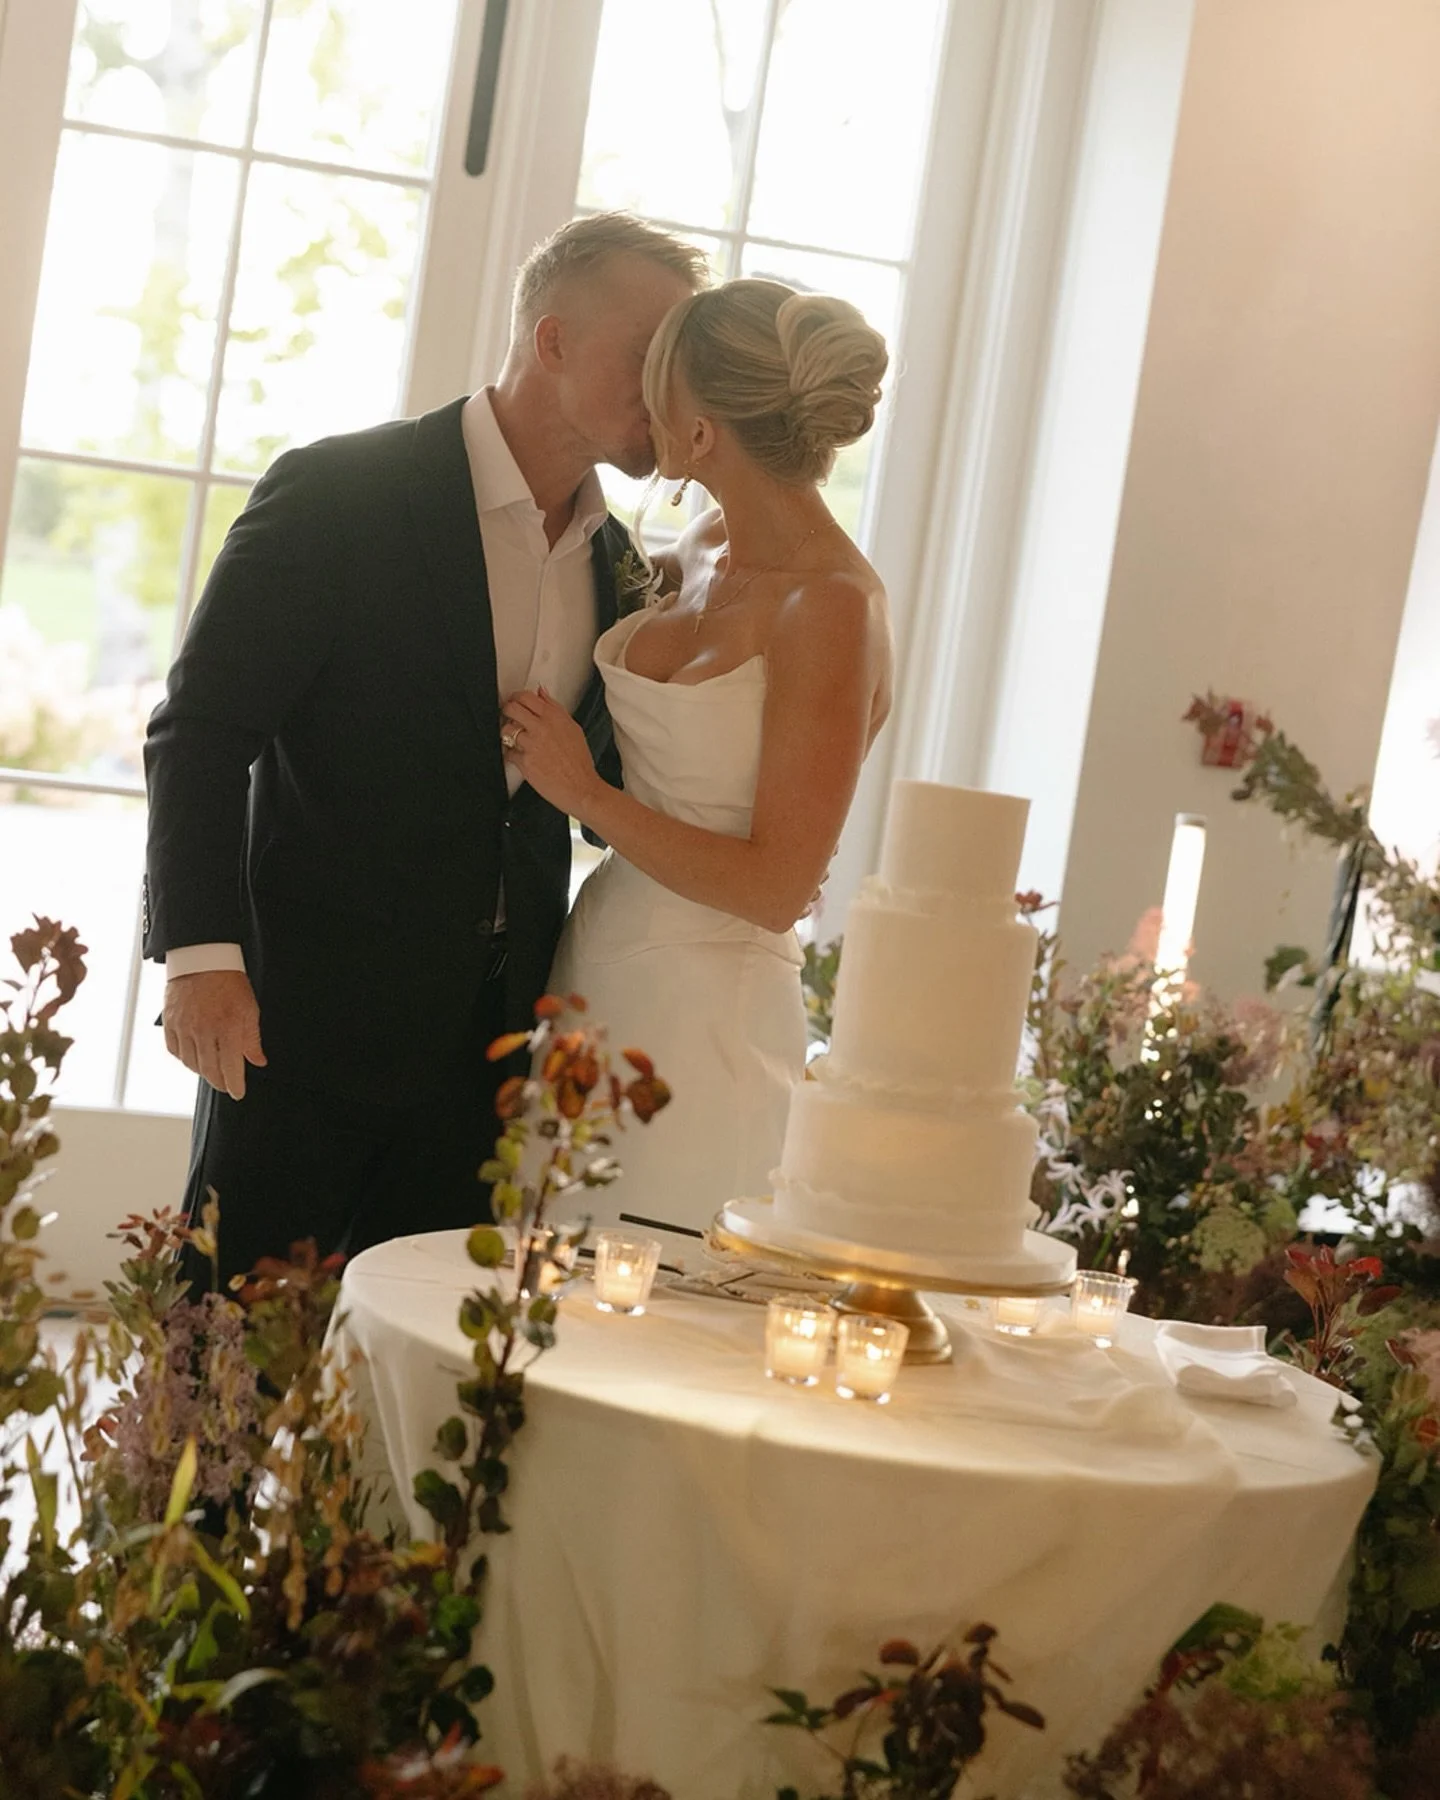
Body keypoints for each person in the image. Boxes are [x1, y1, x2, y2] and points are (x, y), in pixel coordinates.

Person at [142, 214, 708, 1288]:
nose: (670, 392)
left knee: (407, 1387)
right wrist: (201, 959)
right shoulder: (339, 496)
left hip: (490, 1051)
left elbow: (597, 801)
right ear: (550, 342)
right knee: (217, 1372)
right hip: (298, 1025)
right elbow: (202, 731)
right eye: (650, 357)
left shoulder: (625, 568)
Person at [500, 278, 892, 1235]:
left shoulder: (831, 607)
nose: (641, 405)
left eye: (656, 385)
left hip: (710, 1005)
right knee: (540, 1272)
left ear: (704, 433)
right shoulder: (701, 542)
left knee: (654, 1276)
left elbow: (776, 884)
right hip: (601, 960)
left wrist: (584, 794)